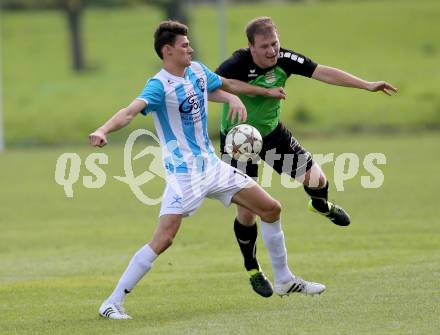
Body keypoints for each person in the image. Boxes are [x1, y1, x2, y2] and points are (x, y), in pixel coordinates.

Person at [90, 20, 325, 320]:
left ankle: (284, 280)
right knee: (164, 238)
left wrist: (243, 95)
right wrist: (103, 129)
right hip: (184, 174)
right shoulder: (159, 85)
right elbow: (129, 112)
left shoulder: (197, 70)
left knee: (271, 209)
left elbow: (224, 85)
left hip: (213, 167)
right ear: (167, 51)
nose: (190, 47)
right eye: (184, 45)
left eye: (189, 43)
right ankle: (112, 302)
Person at [215, 16, 398, 298]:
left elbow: (325, 72)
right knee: (248, 212)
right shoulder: (238, 63)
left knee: (317, 178)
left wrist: (367, 85)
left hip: (272, 135)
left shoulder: (285, 59)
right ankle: (253, 269)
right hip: (239, 140)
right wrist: (263, 91)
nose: (272, 50)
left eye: (275, 43)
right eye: (264, 46)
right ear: (250, 46)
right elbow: (216, 85)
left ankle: (321, 205)